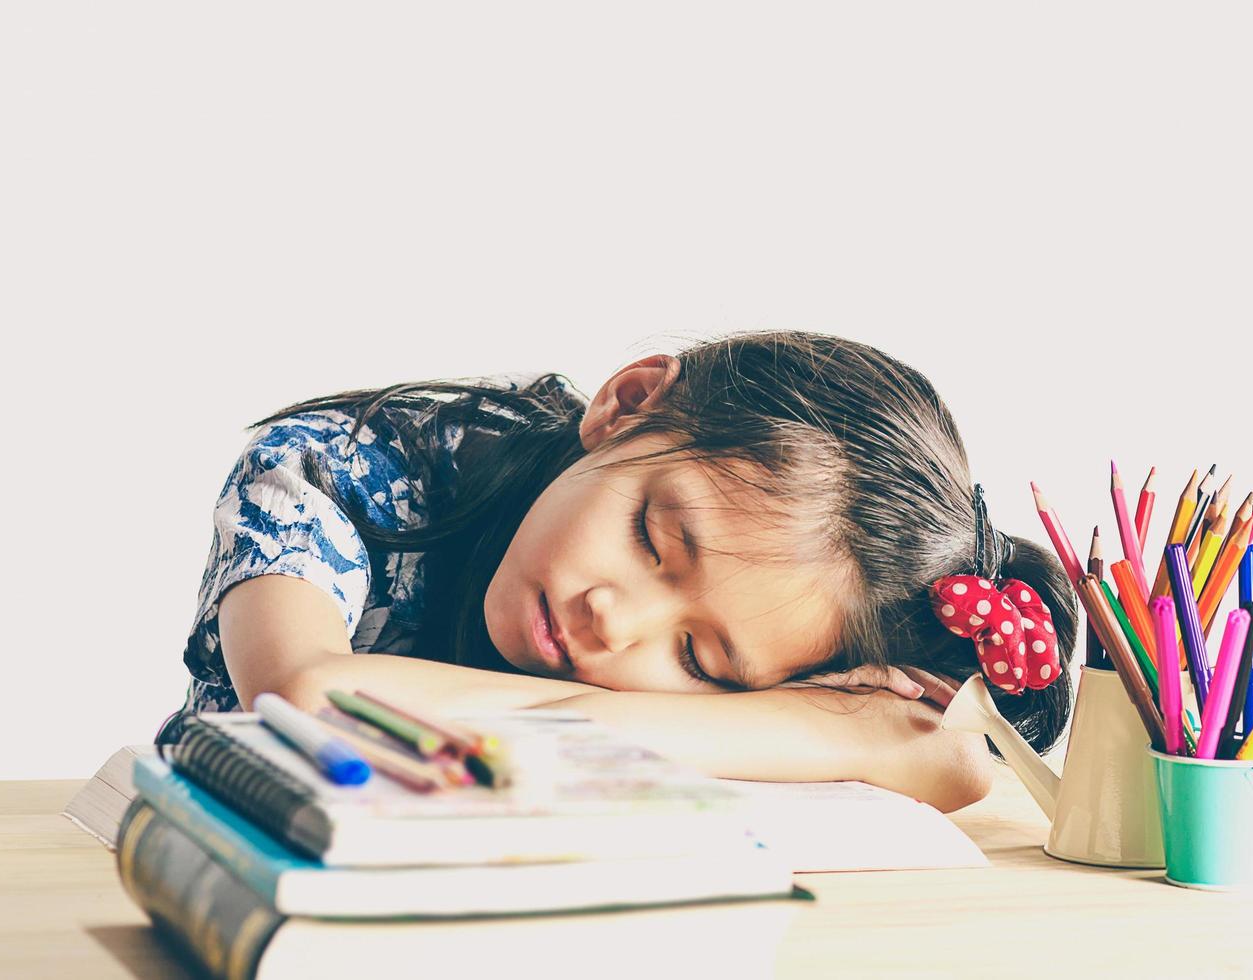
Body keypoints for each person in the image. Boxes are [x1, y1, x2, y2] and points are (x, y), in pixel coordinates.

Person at [154, 330, 1077, 813]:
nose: (613, 622)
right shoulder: (342, 465)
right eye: (650, 538)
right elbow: (309, 699)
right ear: (629, 404)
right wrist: (847, 739)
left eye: (702, 663)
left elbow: (954, 766)